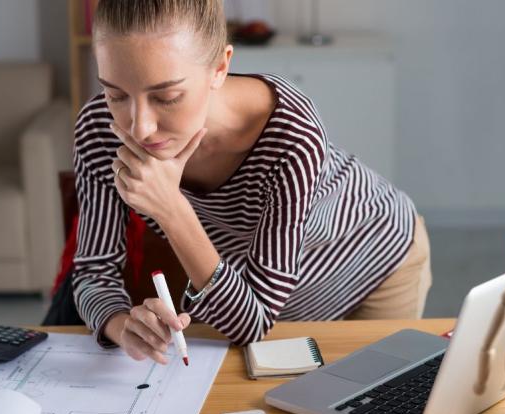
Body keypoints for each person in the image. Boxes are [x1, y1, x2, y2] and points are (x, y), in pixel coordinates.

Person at [71, 0, 431, 364]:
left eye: (167, 97)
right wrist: (120, 325)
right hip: (263, 292)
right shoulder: (101, 131)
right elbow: (93, 270)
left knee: (372, 402)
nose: (140, 127)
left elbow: (252, 323)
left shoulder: (290, 133)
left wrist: (170, 208)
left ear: (220, 67)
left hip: (374, 258)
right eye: (116, 94)